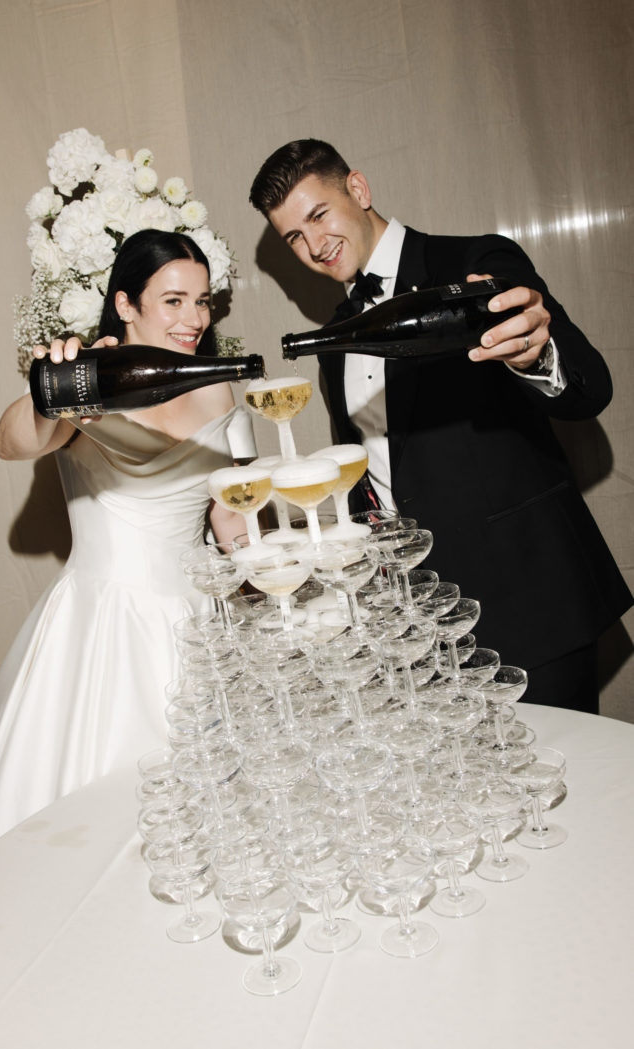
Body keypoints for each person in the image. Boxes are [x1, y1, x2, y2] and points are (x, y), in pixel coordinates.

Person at [249, 138, 632, 713]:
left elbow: (589, 388)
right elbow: (370, 473)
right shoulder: (335, 337)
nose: (314, 245)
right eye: (294, 238)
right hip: (420, 630)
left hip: (529, 603)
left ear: (358, 189)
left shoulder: (474, 263)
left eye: (320, 215)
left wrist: (535, 353)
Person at [0, 229, 256, 891]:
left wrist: (271, 571)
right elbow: (11, 442)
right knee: (93, 834)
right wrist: (51, 388)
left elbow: (231, 520)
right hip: (106, 625)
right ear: (126, 304)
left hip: (203, 622)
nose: (194, 319)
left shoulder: (216, 388)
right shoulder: (91, 379)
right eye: (173, 301)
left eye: (202, 301)